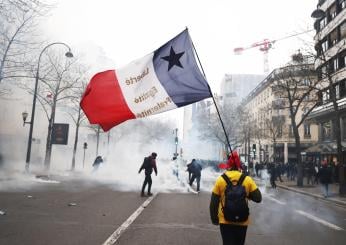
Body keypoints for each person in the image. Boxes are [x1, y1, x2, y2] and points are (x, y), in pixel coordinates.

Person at [210, 151, 262, 245]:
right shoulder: (247, 179)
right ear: (239, 166)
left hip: (225, 220)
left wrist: (214, 219)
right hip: (242, 221)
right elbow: (258, 198)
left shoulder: (221, 180)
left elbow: (214, 202)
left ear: (228, 165)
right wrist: (246, 194)